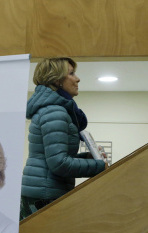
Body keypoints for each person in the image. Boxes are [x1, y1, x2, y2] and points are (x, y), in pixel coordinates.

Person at [20, 57, 108, 220]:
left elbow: (56, 158)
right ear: (57, 80)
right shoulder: (55, 112)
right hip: (45, 195)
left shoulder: (53, 110)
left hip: (43, 192)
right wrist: (98, 166)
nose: (78, 78)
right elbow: (59, 163)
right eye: (72, 73)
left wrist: (88, 158)